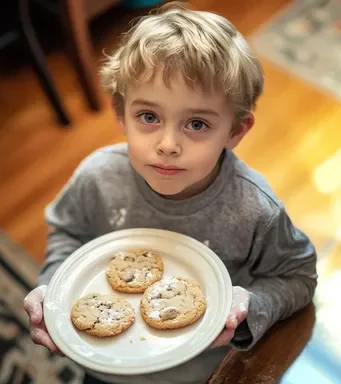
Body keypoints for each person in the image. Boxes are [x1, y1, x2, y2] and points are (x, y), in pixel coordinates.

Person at [22, 2, 318, 383]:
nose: (167, 144)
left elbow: (298, 276)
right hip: (105, 366)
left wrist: (251, 304)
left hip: (201, 374)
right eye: (149, 117)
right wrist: (52, 287)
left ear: (235, 131)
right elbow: (67, 232)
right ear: (120, 113)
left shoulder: (255, 210)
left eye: (196, 123)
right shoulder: (97, 177)